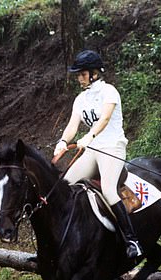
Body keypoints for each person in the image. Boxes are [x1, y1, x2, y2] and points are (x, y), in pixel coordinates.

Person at [53, 50, 143, 259]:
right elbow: (72, 125)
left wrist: (89, 136)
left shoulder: (109, 91)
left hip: (112, 147)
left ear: (94, 73)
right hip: (93, 150)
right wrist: (63, 141)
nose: (79, 78)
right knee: (63, 186)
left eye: (82, 74)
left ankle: (132, 240)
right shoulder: (80, 99)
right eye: (78, 74)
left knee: (109, 190)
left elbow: (104, 120)